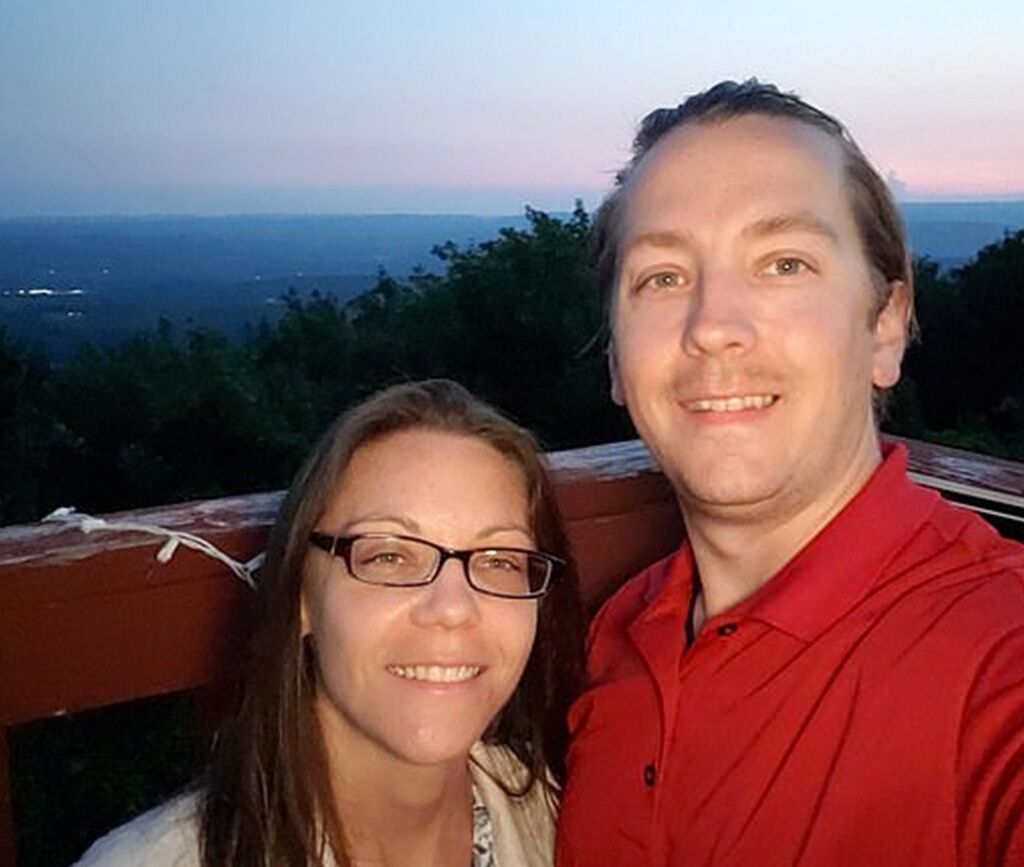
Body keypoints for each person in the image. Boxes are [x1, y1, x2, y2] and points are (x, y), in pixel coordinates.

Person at [556, 80, 1024, 867]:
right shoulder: (618, 636)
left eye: (783, 263)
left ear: (885, 327)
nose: (713, 327)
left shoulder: (998, 652)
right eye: (662, 277)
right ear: (615, 361)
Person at [76, 379, 584, 867]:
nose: (453, 608)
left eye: (499, 560)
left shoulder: (564, 818)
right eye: (388, 556)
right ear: (301, 596)